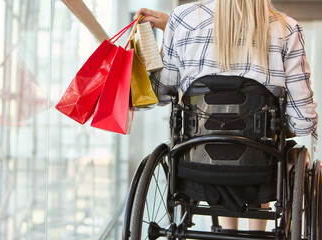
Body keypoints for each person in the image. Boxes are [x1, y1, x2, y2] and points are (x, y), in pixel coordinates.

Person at [134, 0, 318, 231]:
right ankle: (255, 230)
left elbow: (161, 94)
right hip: (260, 170)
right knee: (264, 139)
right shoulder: (287, 29)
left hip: (198, 167)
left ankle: (226, 229)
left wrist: (171, 34)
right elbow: (303, 123)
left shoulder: (181, 18)